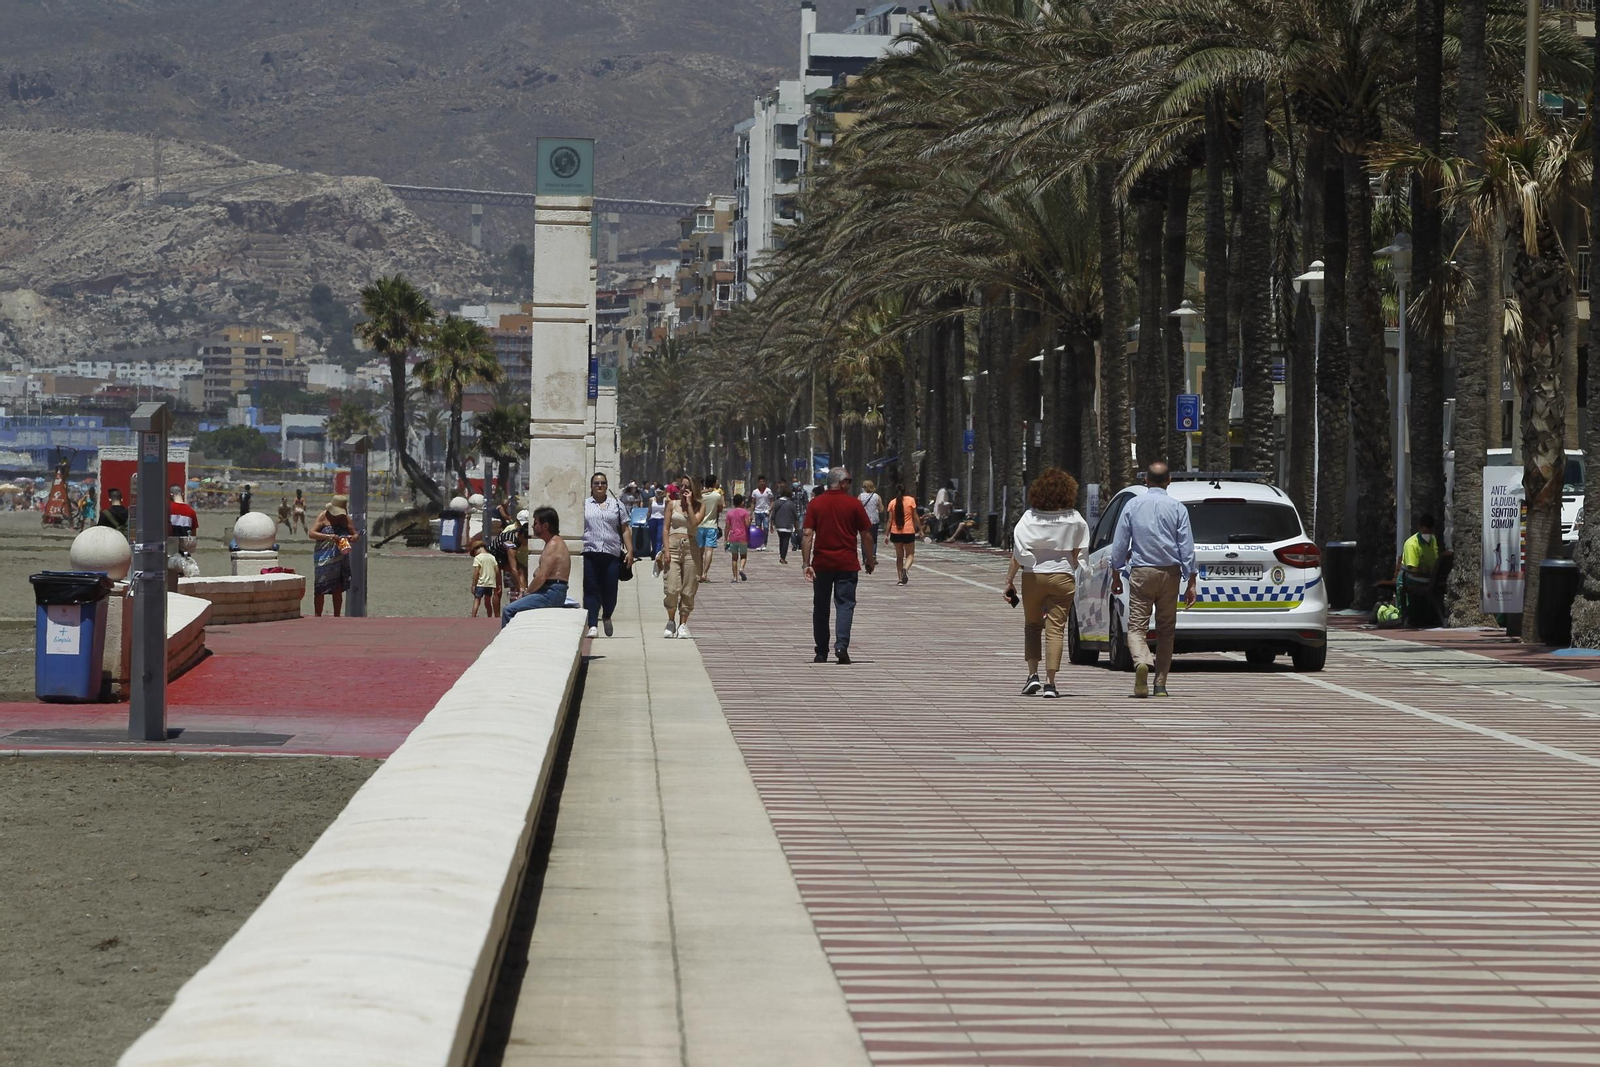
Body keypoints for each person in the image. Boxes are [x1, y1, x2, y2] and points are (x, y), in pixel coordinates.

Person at [1110, 461, 1197, 698]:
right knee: (1166, 631)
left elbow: (1120, 544)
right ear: (1169, 481)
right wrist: (1191, 581)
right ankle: (1160, 685)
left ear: (1146, 480)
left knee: (1136, 628)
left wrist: (1116, 573)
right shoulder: (1178, 508)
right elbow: (1186, 547)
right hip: (1170, 573)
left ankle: (1141, 661)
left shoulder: (1133, 505)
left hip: (1142, 572)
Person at [1004, 469, 1090, 699]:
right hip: (1063, 576)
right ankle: (1050, 684)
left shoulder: (1030, 517)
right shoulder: (1074, 518)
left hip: (1034, 575)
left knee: (1033, 626)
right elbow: (1079, 550)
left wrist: (1009, 580)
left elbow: (1018, 552)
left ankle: (1033, 675)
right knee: (1056, 630)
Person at [802, 467, 876, 665]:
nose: (850, 485)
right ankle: (841, 646)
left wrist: (806, 563)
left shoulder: (815, 504)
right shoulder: (853, 504)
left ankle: (821, 652)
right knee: (845, 605)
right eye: (849, 481)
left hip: (822, 564)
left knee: (821, 607)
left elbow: (807, 534)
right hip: (847, 564)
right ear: (842, 482)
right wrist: (870, 559)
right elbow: (866, 534)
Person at [582, 471, 633, 638]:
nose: (599, 486)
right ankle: (592, 625)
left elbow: (625, 529)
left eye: (602, 483)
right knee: (591, 589)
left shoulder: (616, 505)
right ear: (591, 486)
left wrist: (630, 551)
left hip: (612, 553)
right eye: (596, 483)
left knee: (610, 591)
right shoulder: (584, 505)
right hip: (591, 552)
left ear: (607, 485)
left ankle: (607, 615)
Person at [501, 507, 571, 627]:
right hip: (551, 590)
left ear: (545, 526)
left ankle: (507, 639)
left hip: (551, 592)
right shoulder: (553, 543)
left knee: (509, 610)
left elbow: (541, 577)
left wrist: (526, 593)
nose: (532, 526)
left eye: (536, 523)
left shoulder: (553, 545)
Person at [662, 480, 704, 638]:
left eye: (688, 487)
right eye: (682, 486)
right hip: (673, 547)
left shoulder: (700, 506)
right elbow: (665, 528)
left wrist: (690, 504)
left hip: (691, 548)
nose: (684, 489)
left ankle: (683, 624)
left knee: (688, 589)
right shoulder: (672, 504)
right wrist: (666, 550)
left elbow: (694, 523)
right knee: (672, 588)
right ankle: (671, 620)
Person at [310, 494, 358, 617]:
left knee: (338, 587)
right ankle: (317, 615)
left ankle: (337, 616)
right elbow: (312, 533)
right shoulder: (323, 516)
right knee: (320, 586)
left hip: (340, 556)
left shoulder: (345, 518)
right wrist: (329, 536)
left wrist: (353, 537)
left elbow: (355, 533)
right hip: (323, 556)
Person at [1399, 513, 1443, 626]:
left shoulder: (1433, 540)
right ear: (1419, 528)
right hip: (1410, 578)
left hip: (1430, 578)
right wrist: (1424, 570)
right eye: (1425, 532)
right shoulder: (1411, 544)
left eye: (1430, 532)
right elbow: (1413, 570)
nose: (1427, 535)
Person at [885, 483, 921, 585]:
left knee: (899, 557)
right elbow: (915, 517)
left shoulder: (892, 503)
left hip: (895, 532)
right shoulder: (910, 500)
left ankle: (900, 579)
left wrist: (886, 534)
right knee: (910, 554)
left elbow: (890, 520)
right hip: (909, 531)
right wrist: (921, 530)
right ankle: (905, 568)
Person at [168, 485, 201, 578]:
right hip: (185, 552)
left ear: (171, 495)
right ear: (182, 494)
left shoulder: (168, 509)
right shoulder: (191, 512)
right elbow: (193, 535)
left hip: (170, 550)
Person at [697, 473, 724, 581]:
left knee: (699, 552)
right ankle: (704, 574)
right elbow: (720, 509)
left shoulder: (700, 496)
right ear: (714, 483)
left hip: (699, 525)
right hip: (711, 525)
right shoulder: (717, 496)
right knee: (709, 550)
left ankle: (699, 573)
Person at [724, 493, 752, 582]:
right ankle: (741, 569)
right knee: (743, 556)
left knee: (734, 558)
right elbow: (747, 525)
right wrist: (750, 521)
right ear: (742, 502)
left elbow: (727, 527)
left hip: (733, 537)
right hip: (743, 537)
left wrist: (725, 538)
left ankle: (735, 577)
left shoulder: (729, 513)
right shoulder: (745, 512)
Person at [469, 539, 499, 619]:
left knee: (477, 600)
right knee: (488, 602)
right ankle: (489, 617)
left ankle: (473, 617)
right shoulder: (492, 557)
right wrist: (498, 583)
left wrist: (473, 585)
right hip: (490, 583)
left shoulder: (478, 558)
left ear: (476, 549)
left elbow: (476, 572)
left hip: (480, 583)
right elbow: (497, 571)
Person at [771, 487, 799, 564]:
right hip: (788, 525)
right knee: (786, 541)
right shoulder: (791, 504)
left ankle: (781, 556)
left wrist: (771, 526)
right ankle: (783, 557)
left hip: (779, 525)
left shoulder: (777, 502)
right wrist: (796, 528)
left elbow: (773, 515)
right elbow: (796, 517)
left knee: (781, 540)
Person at [857, 479, 884, 545]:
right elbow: (881, 509)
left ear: (866, 487)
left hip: (863, 520)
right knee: (873, 539)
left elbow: (857, 508)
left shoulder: (860, 496)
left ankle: (865, 551)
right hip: (874, 520)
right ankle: (873, 551)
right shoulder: (877, 496)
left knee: (864, 538)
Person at [749, 476, 774, 547]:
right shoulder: (755, 492)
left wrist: (770, 509)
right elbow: (753, 502)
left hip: (765, 512)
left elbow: (772, 501)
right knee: (758, 528)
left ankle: (764, 543)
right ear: (758, 482)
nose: (762, 483)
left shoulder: (768, 491)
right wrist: (751, 513)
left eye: (763, 481)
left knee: (766, 528)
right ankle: (759, 543)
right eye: (760, 482)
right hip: (757, 512)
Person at [648, 488, 667, 562]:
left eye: (660, 492)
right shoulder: (651, 500)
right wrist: (647, 519)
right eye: (657, 492)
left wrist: (665, 495)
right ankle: (654, 551)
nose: (659, 494)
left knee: (659, 538)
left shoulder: (665, 500)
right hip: (653, 519)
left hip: (661, 520)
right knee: (653, 538)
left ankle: (657, 555)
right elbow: (649, 511)